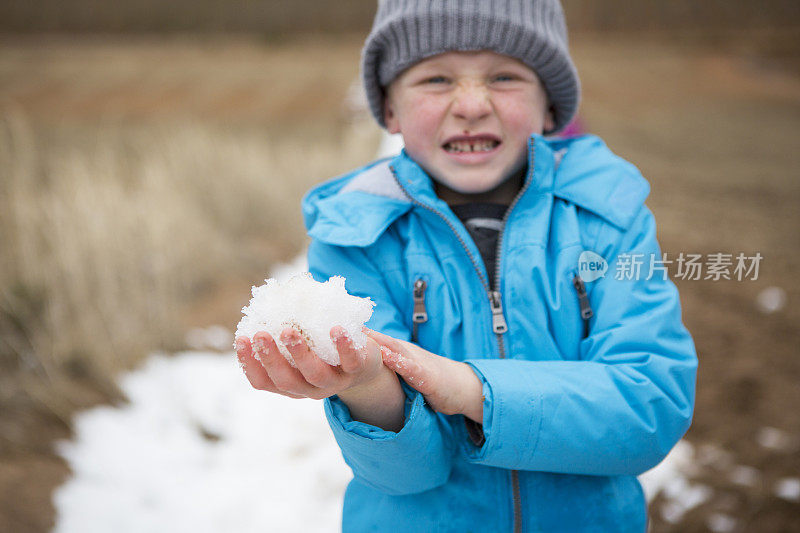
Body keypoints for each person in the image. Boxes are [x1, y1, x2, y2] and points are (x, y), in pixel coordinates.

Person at [235, 0, 697, 531]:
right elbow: (409, 474)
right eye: (435, 78)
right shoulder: (356, 234)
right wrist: (365, 385)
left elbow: (649, 407)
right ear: (389, 110)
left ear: (551, 106)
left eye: (504, 77)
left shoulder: (609, 218)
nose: (472, 104)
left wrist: (470, 389)